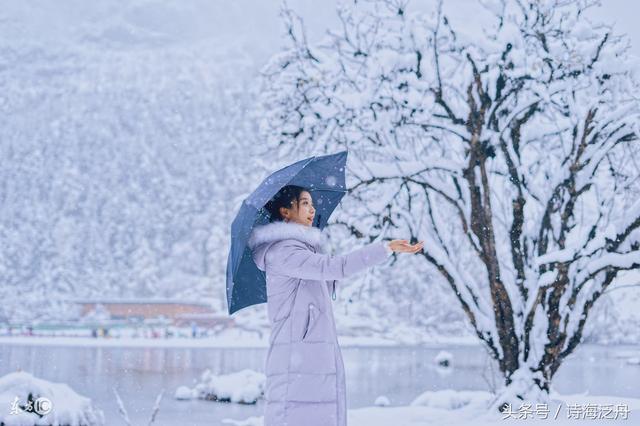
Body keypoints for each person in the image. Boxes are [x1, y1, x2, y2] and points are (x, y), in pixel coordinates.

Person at [247, 185, 423, 426]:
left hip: (310, 359)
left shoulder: (302, 250)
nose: (313, 209)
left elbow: (329, 274)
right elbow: (336, 267)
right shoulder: (283, 251)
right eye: (305, 203)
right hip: (295, 362)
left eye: (312, 204)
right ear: (285, 211)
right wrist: (385, 248)